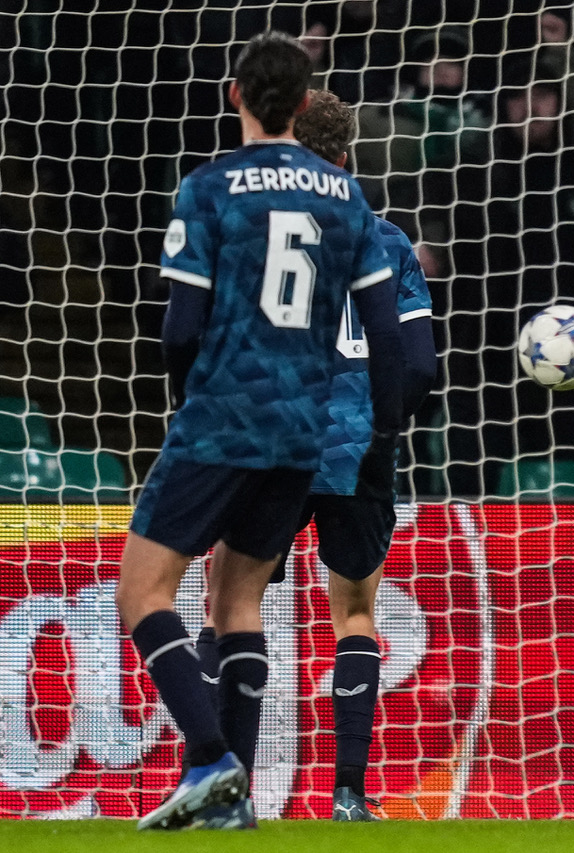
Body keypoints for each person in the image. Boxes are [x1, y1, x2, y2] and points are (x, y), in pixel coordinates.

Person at [114, 32, 404, 831]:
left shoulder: (209, 188)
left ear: (234, 95)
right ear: (304, 103)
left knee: (143, 591)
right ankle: (229, 807)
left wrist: (195, 400)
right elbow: (385, 333)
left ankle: (211, 759)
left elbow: (180, 327)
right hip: (303, 429)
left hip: (224, 416)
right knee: (238, 597)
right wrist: (380, 431)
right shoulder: (347, 199)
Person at [189, 89, 438, 824]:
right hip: (359, 447)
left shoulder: (257, 236)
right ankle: (349, 795)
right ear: (349, 155)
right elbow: (419, 366)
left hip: (274, 440)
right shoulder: (387, 241)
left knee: (229, 604)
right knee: (355, 611)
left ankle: (221, 787)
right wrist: (381, 430)